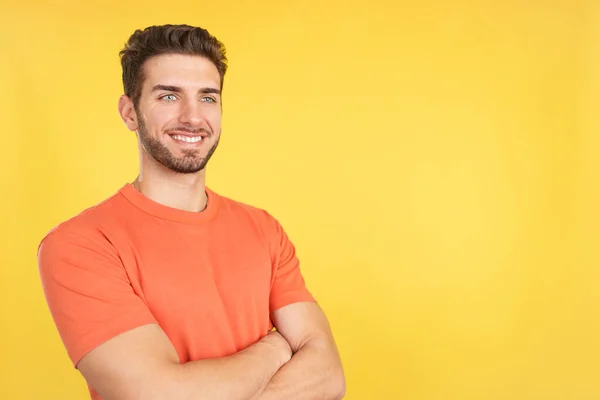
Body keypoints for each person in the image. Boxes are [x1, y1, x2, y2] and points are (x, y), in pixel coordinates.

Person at [37, 24, 346, 400]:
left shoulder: (263, 229)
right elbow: (158, 395)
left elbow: (329, 378)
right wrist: (277, 347)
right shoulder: (80, 245)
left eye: (207, 97)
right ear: (130, 112)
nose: (193, 117)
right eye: (169, 97)